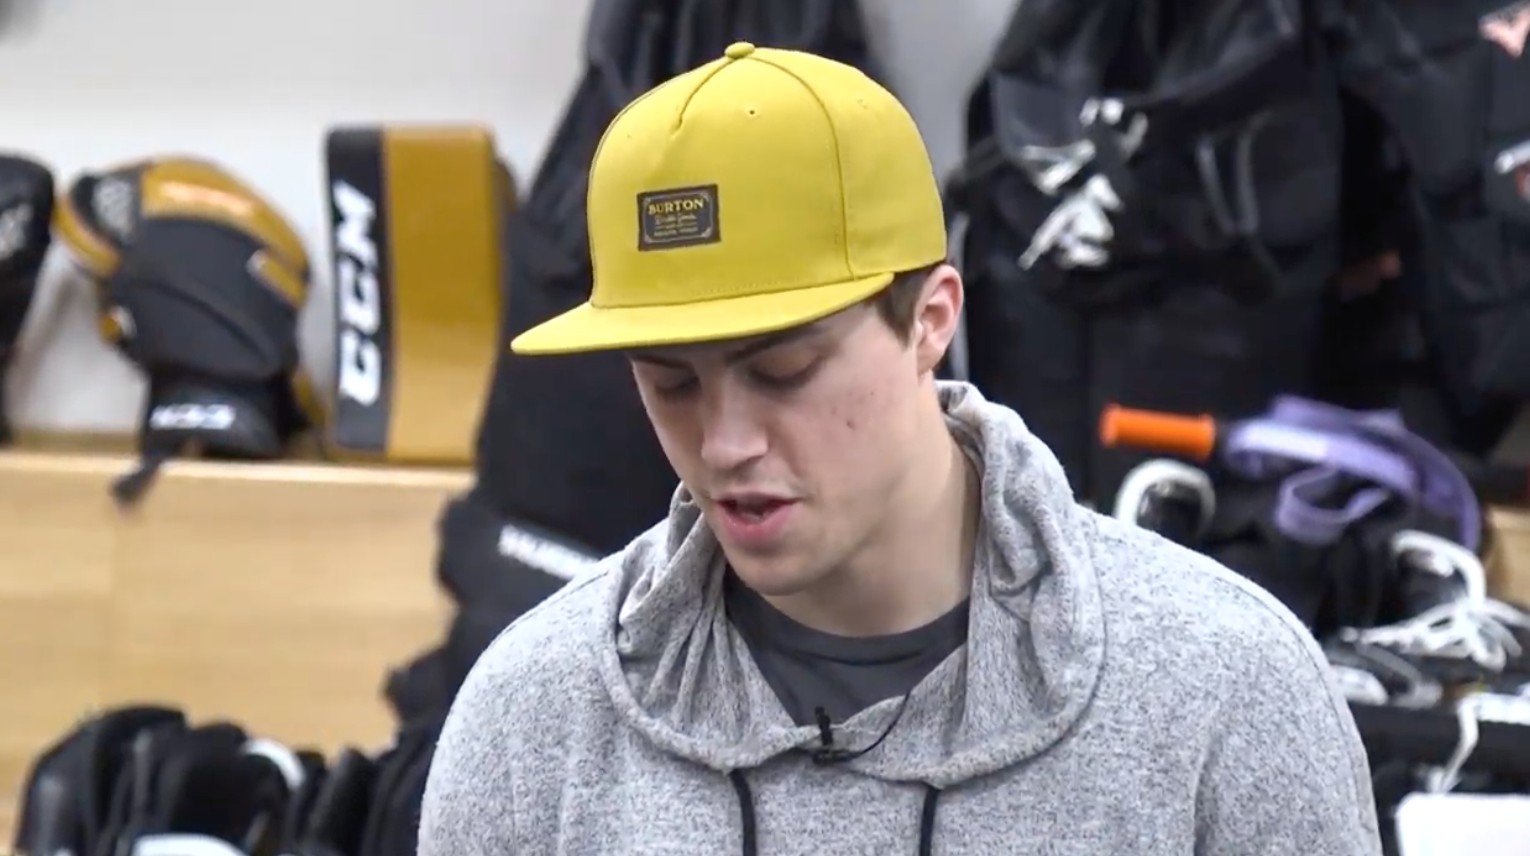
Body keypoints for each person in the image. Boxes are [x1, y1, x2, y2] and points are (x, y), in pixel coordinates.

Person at [417, 42, 1383, 855]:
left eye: (784, 370)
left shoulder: (1226, 695)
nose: (725, 443)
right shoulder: (532, 719)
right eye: (671, 383)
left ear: (931, 320)